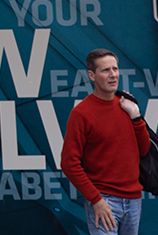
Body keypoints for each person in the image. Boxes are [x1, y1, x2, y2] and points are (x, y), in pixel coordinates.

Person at [61, 49, 150, 235]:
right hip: (104, 200)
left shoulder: (127, 105)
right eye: (105, 70)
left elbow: (144, 150)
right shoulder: (82, 114)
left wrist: (136, 117)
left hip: (134, 199)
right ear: (91, 75)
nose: (113, 75)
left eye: (115, 69)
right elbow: (69, 163)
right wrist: (96, 200)